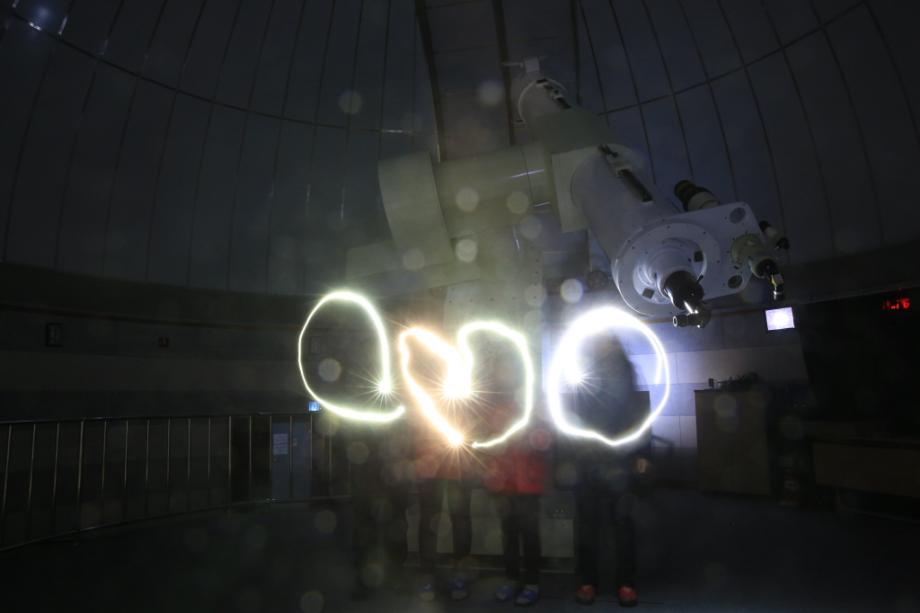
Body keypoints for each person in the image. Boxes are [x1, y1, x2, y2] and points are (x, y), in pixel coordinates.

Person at [566, 335, 650, 608]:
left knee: (623, 526)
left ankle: (626, 583)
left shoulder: (627, 376)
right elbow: (572, 418)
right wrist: (571, 456)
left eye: (609, 343)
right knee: (588, 526)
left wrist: (643, 453)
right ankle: (588, 582)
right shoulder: (586, 377)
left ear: (616, 346)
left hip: (620, 461)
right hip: (589, 461)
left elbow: (640, 417)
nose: (605, 348)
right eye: (601, 343)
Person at [480, 347, 550, 607]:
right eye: (501, 367)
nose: (504, 372)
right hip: (504, 478)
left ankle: (532, 582)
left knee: (529, 533)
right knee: (508, 532)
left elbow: (546, 437)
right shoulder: (492, 400)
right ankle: (511, 577)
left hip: (528, 479)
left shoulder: (533, 398)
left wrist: (530, 439)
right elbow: (486, 436)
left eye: (508, 367)